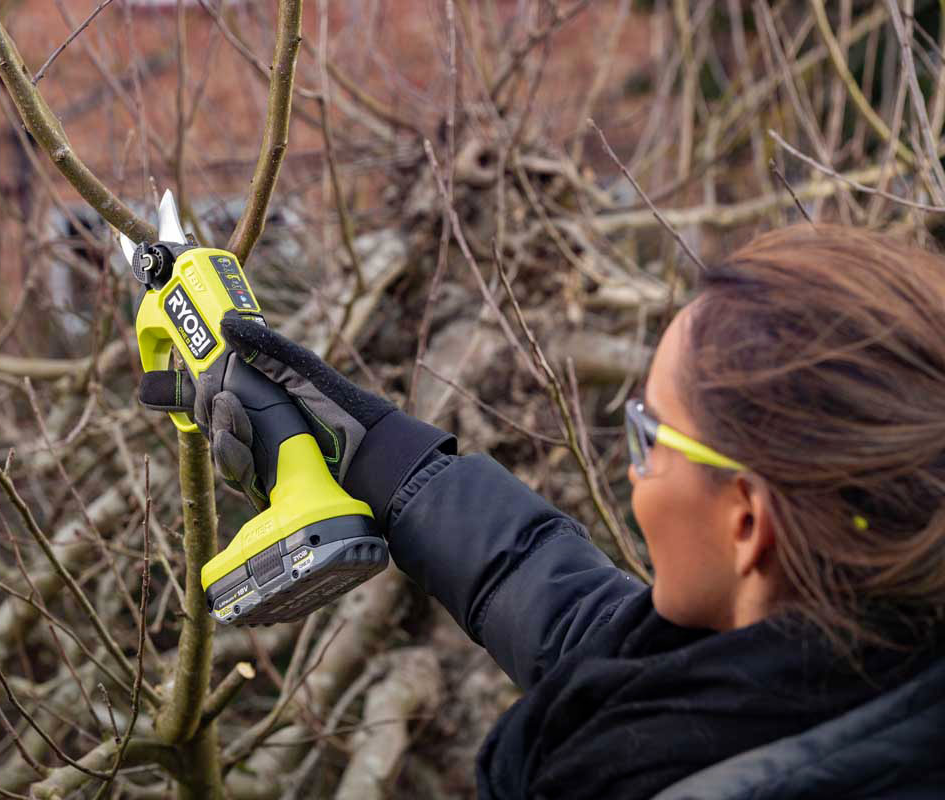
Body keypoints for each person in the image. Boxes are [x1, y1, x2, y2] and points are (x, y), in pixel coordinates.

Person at [139, 224, 945, 799]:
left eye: (648, 436)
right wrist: (380, 455)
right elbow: (584, 630)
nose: (634, 470)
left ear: (746, 523)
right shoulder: (855, 672)